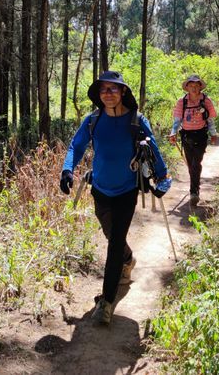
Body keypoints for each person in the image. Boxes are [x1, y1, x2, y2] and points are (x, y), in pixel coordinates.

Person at [59, 70, 170, 327]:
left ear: (122, 93)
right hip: (99, 188)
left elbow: (152, 147)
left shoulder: (136, 120)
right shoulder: (92, 120)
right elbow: (76, 145)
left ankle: (107, 303)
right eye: (103, 89)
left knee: (113, 243)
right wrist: (67, 169)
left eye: (113, 89)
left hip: (126, 190)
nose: (108, 93)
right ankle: (128, 259)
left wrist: (163, 178)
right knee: (113, 237)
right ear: (99, 95)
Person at [168, 74, 218, 207]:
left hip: (201, 135)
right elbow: (177, 121)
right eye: (191, 86)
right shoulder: (182, 102)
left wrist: (213, 134)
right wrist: (173, 133)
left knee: (196, 163)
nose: (194, 88)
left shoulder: (206, 101)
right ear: (187, 87)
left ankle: (194, 192)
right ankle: (195, 187)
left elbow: (210, 119)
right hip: (186, 136)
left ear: (200, 87)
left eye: (197, 86)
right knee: (191, 165)